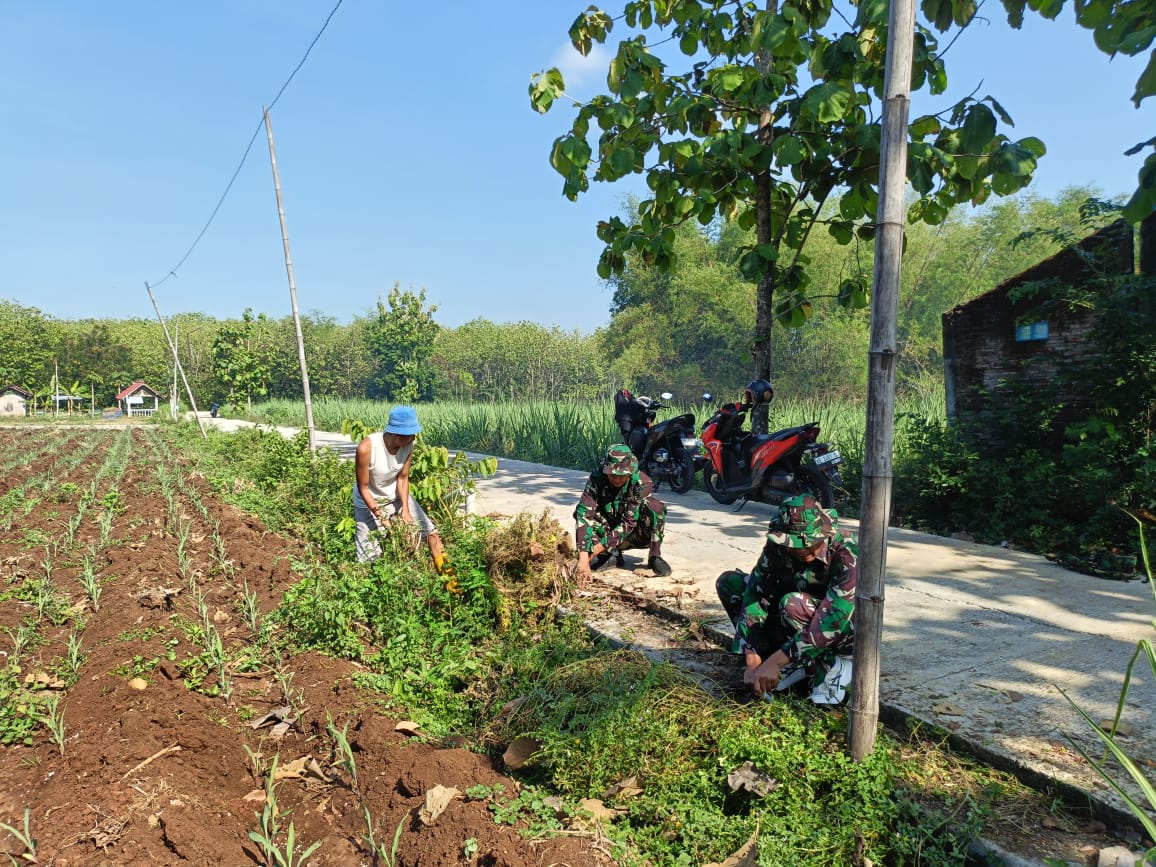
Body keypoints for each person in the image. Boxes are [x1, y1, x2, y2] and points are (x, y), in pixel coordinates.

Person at [716, 494, 857, 705]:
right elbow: (756, 592)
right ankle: (780, 663)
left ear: (823, 534)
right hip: (793, 619)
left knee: (793, 604)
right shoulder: (779, 545)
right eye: (794, 543)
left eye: (809, 542)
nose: (801, 549)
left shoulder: (847, 553)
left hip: (844, 630)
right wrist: (751, 653)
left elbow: (834, 620)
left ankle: (831, 669)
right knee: (731, 583)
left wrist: (777, 661)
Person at [353, 405, 452, 574]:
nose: (413, 437)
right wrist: (381, 516)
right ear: (396, 434)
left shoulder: (408, 445)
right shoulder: (367, 448)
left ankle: (451, 581)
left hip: (396, 496)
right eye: (410, 434)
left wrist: (405, 510)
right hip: (368, 501)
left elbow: (403, 478)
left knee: (432, 534)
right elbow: (363, 487)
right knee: (368, 558)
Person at [574, 443, 671, 586]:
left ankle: (655, 556)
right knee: (580, 512)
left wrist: (593, 552)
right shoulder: (597, 478)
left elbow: (628, 523)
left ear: (630, 472)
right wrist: (583, 556)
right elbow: (584, 513)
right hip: (606, 526)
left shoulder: (642, 483)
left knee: (655, 506)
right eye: (612, 475)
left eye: (622, 476)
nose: (617, 479)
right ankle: (610, 556)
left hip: (634, 534)